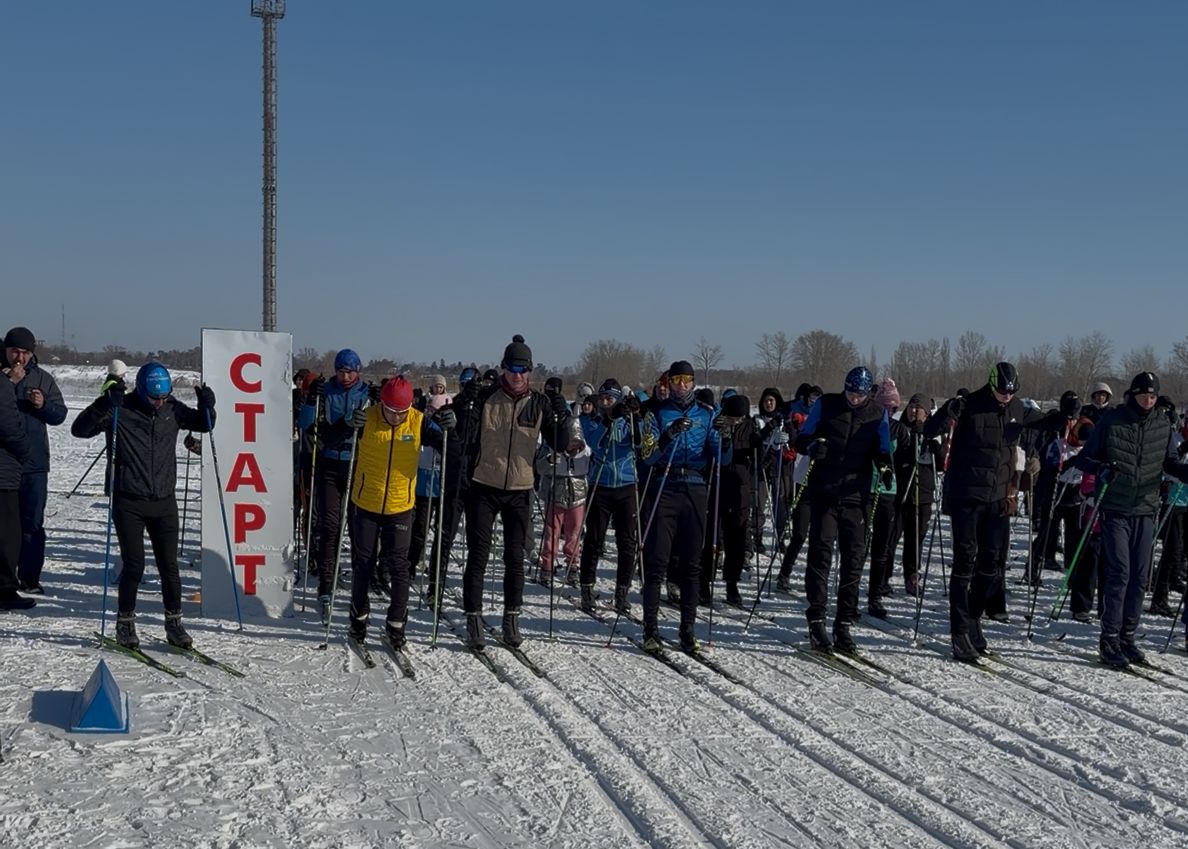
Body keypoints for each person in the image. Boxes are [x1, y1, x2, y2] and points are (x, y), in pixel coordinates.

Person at [71, 362, 215, 648]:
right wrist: (103, 403)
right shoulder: (120, 407)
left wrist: (208, 406)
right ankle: (125, 625)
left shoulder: (172, 409)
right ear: (141, 389)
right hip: (129, 501)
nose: (159, 403)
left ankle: (174, 624)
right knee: (134, 565)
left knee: (169, 567)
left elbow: (204, 425)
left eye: (163, 397)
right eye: (154, 398)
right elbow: (79, 430)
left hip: (164, 501)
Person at [455, 336, 572, 650]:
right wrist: (464, 401)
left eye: (522, 368)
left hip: (520, 489)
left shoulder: (539, 403)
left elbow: (560, 444)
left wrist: (563, 417)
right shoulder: (486, 398)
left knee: (514, 559)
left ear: (530, 371)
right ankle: (474, 618)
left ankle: (511, 618)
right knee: (478, 557)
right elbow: (462, 434)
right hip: (484, 485)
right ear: (502, 367)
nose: (516, 374)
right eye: (511, 367)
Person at [1073, 372, 1188, 667]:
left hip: (1146, 508)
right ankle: (1109, 637)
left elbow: (1170, 461)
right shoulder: (1112, 421)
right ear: (1132, 395)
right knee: (1119, 572)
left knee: (1139, 576)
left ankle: (1128, 636)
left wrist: (1183, 472)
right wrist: (1102, 469)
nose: (1147, 401)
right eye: (1142, 396)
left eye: (1152, 397)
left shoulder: (1162, 424)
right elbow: (1085, 458)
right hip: (1115, 507)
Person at [925, 362, 1025, 661]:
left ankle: (972, 616)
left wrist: (1065, 413)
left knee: (992, 564)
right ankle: (958, 632)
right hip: (966, 496)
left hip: (998, 498)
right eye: (1002, 391)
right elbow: (929, 430)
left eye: (1010, 392)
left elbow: (1041, 424)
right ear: (991, 385)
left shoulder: (1017, 407)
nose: (1006, 396)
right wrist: (946, 411)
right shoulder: (970, 405)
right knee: (965, 562)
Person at [344, 376, 451, 647]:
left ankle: (396, 624)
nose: (395, 417)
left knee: (399, 567)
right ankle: (358, 619)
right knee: (363, 564)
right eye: (390, 411)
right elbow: (335, 434)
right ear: (382, 404)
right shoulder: (367, 418)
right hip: (366, 503)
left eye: (401, 412)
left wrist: (452, 428)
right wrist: (348, 423)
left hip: (401, 507)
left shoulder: (418, 421)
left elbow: (449, 448)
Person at [793, 366, 889, 653]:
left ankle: (844, 623)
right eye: (850, 392)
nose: (854, 398)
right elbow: (801, 439)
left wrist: (884, 466)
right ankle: (817, 620)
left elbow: (882, 447)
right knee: (821, 554)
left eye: (859, 394)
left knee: (853, 560)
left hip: (855, 495)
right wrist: (812, 447)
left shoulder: (877, 412)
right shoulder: (827, 404)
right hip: (824, 490)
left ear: (868, 392)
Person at [639, 360, 728, 654]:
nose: (681, 385)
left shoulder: (706, 412)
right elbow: (648, 455)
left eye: (686, 380)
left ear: (693, 382)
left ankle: (687, 629)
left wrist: (724, 438)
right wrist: (669, 435)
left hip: (695, 487)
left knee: (692, 564)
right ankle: (650, 628)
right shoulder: (656, 413)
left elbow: (721, 459)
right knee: (657, 561)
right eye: (676, 380)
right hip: (664, 486)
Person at [298, 349, 371, 623]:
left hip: (357, 465)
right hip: (329, 464)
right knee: (329, 527)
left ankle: (358, 587)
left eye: (350, 371)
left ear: (358, 370)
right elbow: (305, 425)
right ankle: (325, 586)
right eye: (341, 371)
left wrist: (361, 426)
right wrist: (310, 400)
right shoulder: (326, 391)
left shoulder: (367, 392)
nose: (346, 376)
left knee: (357, 528)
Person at [4, 327, 67, 594]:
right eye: (15, 352)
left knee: (32, 523)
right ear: (6, 350)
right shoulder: (1, 378)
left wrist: (43, 405)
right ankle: (5, 579)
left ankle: (29, 578)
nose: (20, 358)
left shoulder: (43, 379)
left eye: (25, 353)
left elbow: (60, 414)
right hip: (4, 463)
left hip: (34, 464)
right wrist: (9, 383)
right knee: (5, 525)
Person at [578, 379, 642, 613]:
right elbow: (594, 442)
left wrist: (635, 416)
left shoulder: (626, 420)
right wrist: (607, 420)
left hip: (626, 484)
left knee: (627, 542)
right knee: (594, 540)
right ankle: (586, 588)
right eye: (603, 399)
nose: (606, 403)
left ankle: (622, 591)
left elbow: (638, 443)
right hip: (600, 485)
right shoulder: (592, 419)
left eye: (610, 399)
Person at [0, 371, 33, 610]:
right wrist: (25, 448)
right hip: (4, 472)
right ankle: (5, 589)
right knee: (8, 534)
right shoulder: (2, 386)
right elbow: (8, 425)